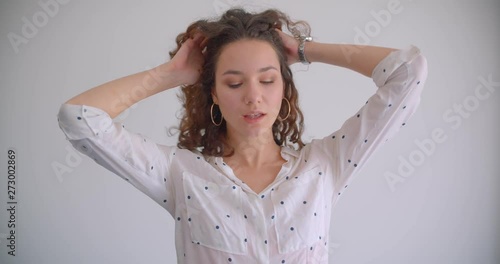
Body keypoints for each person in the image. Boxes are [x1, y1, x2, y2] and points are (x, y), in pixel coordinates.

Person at [57, 8, 427, 264]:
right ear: (214, 94)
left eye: (267, 80)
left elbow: (407, 72)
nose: (253, 96)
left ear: (284, 88)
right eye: (234, 83)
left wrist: (302, 49)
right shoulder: (180, 173)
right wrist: (170, 73)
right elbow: (80, 118)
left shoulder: (324, 165)